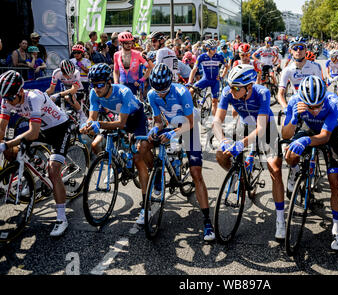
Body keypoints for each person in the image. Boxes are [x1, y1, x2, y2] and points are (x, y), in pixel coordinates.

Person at [212, 64, 286, 239]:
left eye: (236, 88)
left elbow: (261, 129)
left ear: (249, 87)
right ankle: (239, 174)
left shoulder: (262, 93)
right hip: (245, 124)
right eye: (230, 86)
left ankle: (281, 219)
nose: (231, 91)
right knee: (220, 155)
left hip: (266, 127)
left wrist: (241, 144)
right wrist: (223, 141)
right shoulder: (228, 92)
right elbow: (217, 121)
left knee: (275, 169)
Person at [146, 63, 215, 241]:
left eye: (164, 90)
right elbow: (159, 122)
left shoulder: (182, 92)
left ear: (171, 82)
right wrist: (155, 129)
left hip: (189, 123)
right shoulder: (151, 94)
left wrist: (172, 132)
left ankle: (208, 221)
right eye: (157, 90)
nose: (160, 93)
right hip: (171, 123)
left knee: (196, 172)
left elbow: (189, 124)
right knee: (151, 143)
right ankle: (161, 173)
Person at [0, 70, 72, 237]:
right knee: (11, 152)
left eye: (11, 97)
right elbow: (2, 128)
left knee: (53, 170)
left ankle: (62, 218)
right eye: (5, 98)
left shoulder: (34, 97)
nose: (9, 101)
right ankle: (34, 168)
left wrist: (6, 144)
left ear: (19, 92)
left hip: (60, 129)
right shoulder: (7, 100)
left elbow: (32, 133)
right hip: (42, 129)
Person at [79, 63, 152, 222]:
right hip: (118, 117)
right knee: (94, 145)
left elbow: (121, 124)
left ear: (108, 82)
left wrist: (99, 124)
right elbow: (92, 118)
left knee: (139, 155)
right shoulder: (94, 93)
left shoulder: (123, 92)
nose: (96, 88)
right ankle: (115, 165)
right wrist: (88, 126)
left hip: (135, 118)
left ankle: (147, 205)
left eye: (100, 85)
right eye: (93, 84)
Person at [282, 75, 338, 250]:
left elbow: (325, 136)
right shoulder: (295, 100)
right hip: (308, 128)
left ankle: (336, 227)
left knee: (335, 181)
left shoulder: (333, 102)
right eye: (311, 106)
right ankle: (294, 173)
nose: (315, 110)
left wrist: (307, 141)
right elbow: (285, 135)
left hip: (330, 133)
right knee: (290, 153)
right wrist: (294, 118)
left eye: (318, 105)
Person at [277, 37, 323, 109]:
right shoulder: (287, 70)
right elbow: (280, 94)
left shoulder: (315, 66)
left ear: (306, 50)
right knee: (287, 120)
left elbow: (321, 89)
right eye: (295, 48)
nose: (298, 50)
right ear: (290, 51)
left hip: (313, 102)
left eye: (301, 47)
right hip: (297, 102)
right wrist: (285, 107)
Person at [187, 39, 228, 117]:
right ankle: (190, 110)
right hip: (205, 79)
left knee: (214, 101)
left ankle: (215, 121)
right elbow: (194, 69)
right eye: (213, 48)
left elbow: (226, 66)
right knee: (191, 91)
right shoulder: (201, 57)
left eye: (216, 48)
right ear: (207, 48)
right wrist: (190, 82)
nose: (215, 50)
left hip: (215, 81)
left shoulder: (219, 56)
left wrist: (222, 76)